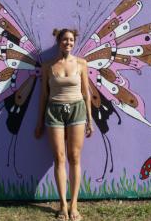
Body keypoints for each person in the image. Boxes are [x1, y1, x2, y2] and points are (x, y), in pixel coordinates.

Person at [35, 28, 93, 221]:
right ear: (58, 42)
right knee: (59, 157)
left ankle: (74, 204)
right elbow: (43, 95)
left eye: (71, 40)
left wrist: (90, 121)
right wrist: (39, 122)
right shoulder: (48, 66)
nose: (68, 43)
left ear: (74, 42)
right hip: (54, 112)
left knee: (74, 156)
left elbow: (87, 93)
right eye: (64, 39)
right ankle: (62, 205)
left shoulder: (82, 64)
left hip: (77, 110)